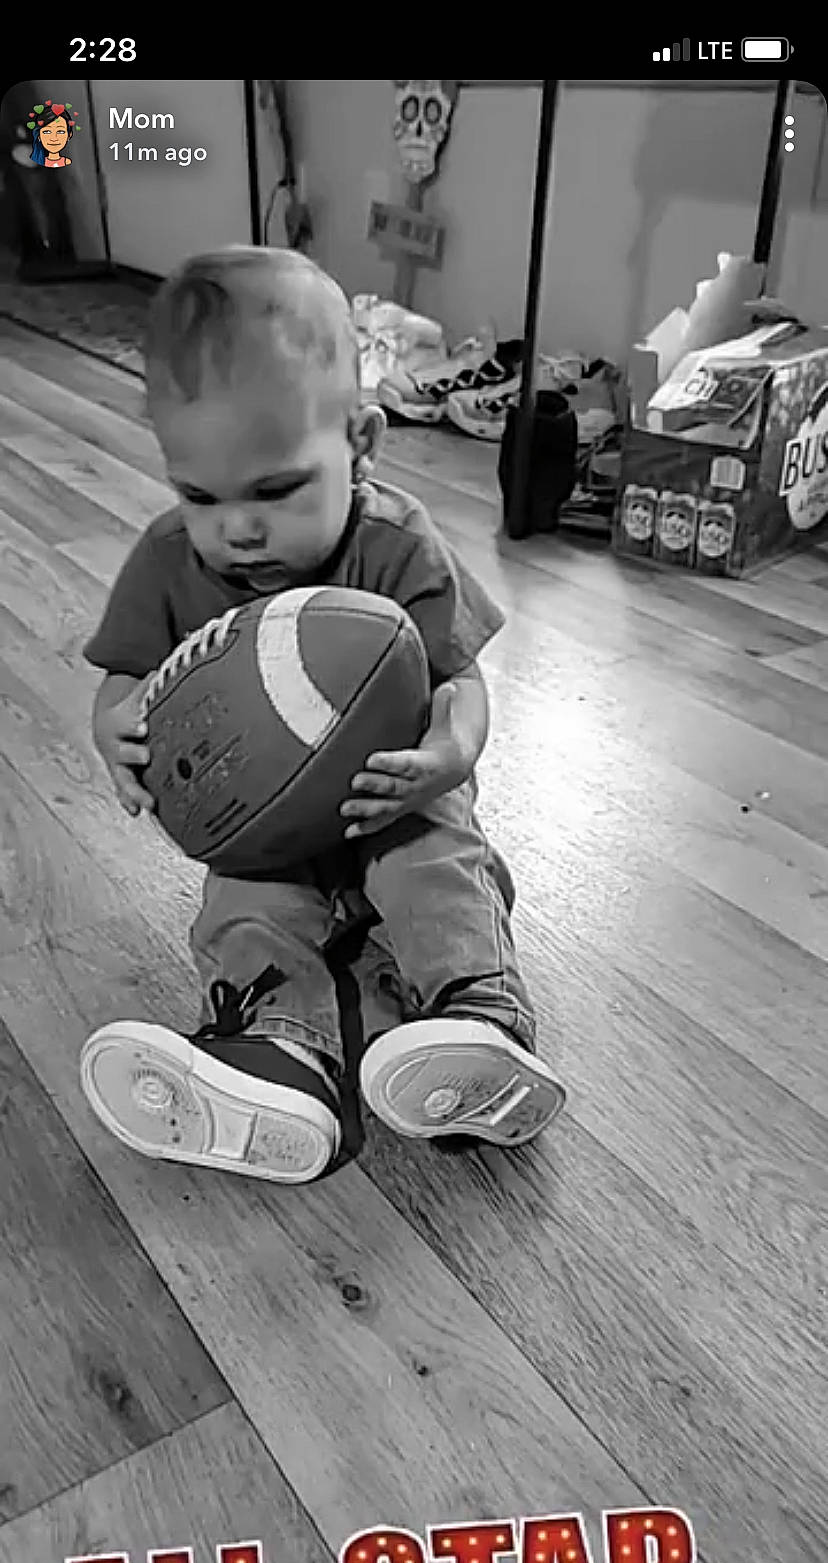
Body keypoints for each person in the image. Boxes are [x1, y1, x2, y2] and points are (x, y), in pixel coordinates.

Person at [81, 246, 566, 1184]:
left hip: (393, 796)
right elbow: (122, 680)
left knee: (436, 866)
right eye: (199, 495)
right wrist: (116, 730)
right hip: (259, 818)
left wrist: (447, 757)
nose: (237, 528)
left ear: (362, 444)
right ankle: (276, 1052)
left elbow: (462, 682)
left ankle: (478, 1020)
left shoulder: (397, 542)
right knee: (245, 903)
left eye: (276, 490)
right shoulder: (169, 559)